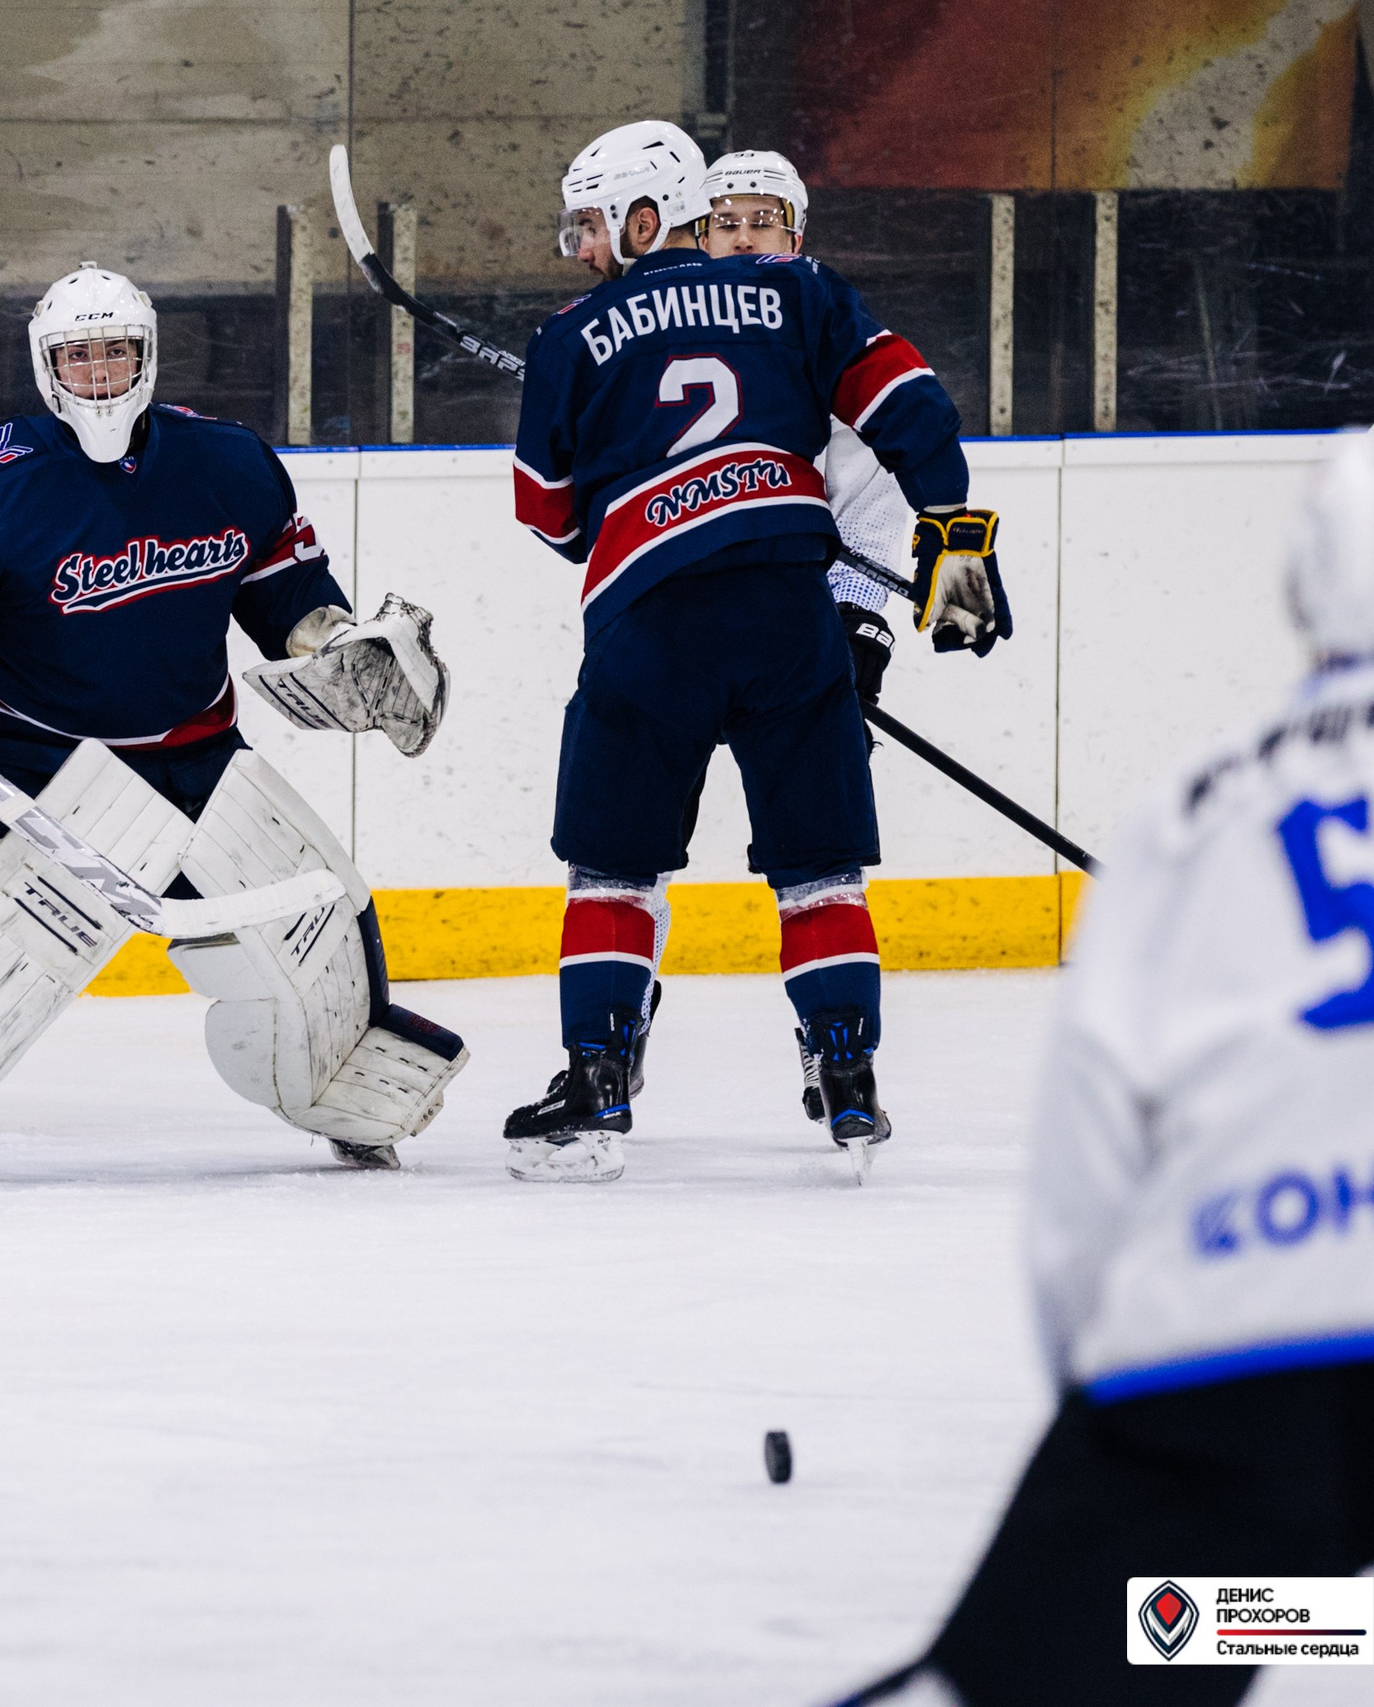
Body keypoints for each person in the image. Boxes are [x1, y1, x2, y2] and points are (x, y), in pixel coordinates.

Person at [837, 430, 1374, 1705]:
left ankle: (1280, 1628)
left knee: (1135, 1640)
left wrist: (1112, 1425)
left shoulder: (1196, 810)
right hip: (1245, 1360)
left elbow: (1089, 1160)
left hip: (1229, 1356)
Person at [0, 263, 467, 1180]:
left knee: (318, 916)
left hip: (198, 756)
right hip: (37, 763)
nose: (100, 375)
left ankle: (342, 1083)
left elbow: (286, 589)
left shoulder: (227, 461)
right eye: (79, 358)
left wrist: (339, 642)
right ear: (48, 368)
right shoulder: (7, 471)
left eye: (116, 353)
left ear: (148, 357)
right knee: (4, 954)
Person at [505, 120, 1009, 1184]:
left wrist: (627, 475)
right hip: (790, 618)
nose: (583, 248)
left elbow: (546, 516)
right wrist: (954, 537)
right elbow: (907, 407)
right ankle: (848, 1069)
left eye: (592, 226)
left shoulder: (568, 334)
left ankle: (597, 1074)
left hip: (646, 630)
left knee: (612, 865)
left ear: (645, 218)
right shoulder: (802, 295)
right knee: (818, 868)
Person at [702, 149, 929, 1131]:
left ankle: (837, 1050)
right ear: (695, 236)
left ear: (797, 238)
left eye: (764, 221)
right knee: (615, 857)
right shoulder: (647, 347)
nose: (745, 238)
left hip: (796, 632)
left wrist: (856, 637)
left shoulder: (836, 346)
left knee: (814, 855)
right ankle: (600, 1067)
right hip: (679, 627)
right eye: (726, 222)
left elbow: (874, 520)